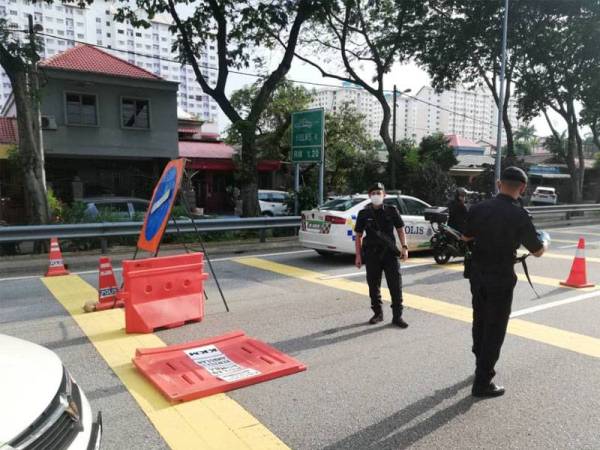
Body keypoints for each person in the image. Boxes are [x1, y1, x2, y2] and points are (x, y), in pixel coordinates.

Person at [463, 167, 545, 398]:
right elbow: (537, 250)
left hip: (477, 274)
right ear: (523, 187)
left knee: (479, 319)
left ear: (499, 184)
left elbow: (466, 236)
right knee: (495, 328)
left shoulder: (478, 208)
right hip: (500, 276)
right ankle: (482, 382)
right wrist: (545, 241)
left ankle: (480, 361)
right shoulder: (520, 215)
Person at [354, 183, 409, 328]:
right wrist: (358, 256)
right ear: (369, 196)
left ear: (384, 195)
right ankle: (377, 313)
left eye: (379, 192)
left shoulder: (392, 210)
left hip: (390, 254)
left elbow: (400, 229)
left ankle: (397, 317)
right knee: (373, 286)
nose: (376, 195)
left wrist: (404, 247)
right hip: (371, 255)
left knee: (395, 286)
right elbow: (358, 236)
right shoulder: (363, 214)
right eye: (373, 193)